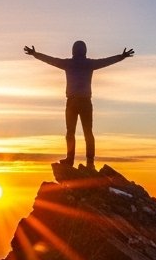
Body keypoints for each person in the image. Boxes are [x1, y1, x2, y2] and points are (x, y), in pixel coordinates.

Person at [23, 40, 134, 169]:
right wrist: (121, 57)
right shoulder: (89, 64)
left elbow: (51, 60)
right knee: (88, 133)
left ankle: (70, 160)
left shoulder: (68, 63)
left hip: (72, 102)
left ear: (73, 51)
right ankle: (90, 162)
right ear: (85, 51)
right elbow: (106, 61)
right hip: (85, 102)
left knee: (70, 132)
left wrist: (35, 54)